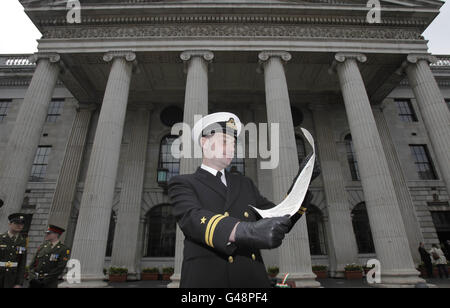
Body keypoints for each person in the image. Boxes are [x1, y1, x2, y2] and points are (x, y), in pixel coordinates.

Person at [168, 112, 318, 288]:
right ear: (204, 142)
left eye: (233, 144)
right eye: (224, 141)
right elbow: (192, 218)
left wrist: (299, 188)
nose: (231, 149)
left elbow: (276, 219)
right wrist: (246, 231)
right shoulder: (183, 183)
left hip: (251, 279)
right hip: (207, 280)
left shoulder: (244, 183)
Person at [0, 213, 27, 288]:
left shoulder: (22, 241)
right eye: (16, 223)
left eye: (22, 224)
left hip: (12, 278)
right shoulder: (1, 238)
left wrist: (19, 283)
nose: (19, 226)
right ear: (10, 224)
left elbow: (22, 263)